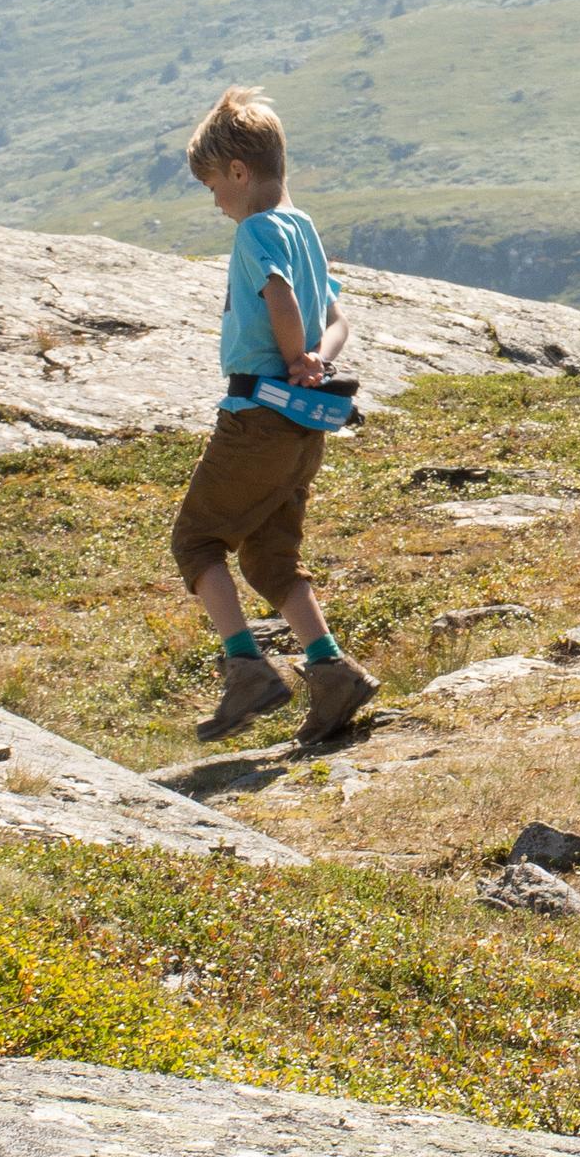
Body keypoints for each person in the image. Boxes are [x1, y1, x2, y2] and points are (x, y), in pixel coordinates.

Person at [172, 86, 377, 744]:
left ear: (238, 172)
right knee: (269, 559)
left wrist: (294, 354)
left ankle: (247, 667)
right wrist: (317, 356)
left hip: (256, 414)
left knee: (198, 541)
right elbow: (337, 317)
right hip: (304, 425)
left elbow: (281, 296)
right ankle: (330, 671)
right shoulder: (305, 228)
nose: (215, 202)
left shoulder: (258, 231)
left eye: (213, 187)